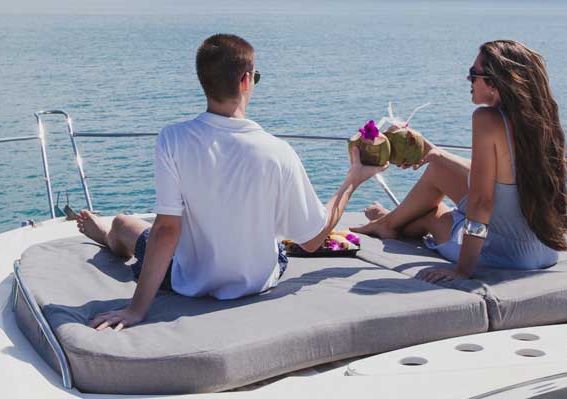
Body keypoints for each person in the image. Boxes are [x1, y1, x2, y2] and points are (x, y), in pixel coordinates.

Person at [77, 33, 387, 330]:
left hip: (188, 281)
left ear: (204, 82)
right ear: (245, 80)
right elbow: (312, 239)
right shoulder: (278, 152)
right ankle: (109, 234)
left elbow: (167, 230)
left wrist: (136, 309)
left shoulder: (173, 139)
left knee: (123, 223)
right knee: (272, 235)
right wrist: (352, 180)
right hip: (258, 281)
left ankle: (109, 235)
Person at [351, 39, 567, 282]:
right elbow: (503, 177)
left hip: (506, 255)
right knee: (438, 167)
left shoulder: (486, 119)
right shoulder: (541, 121)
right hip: (545, 250)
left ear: (495, 82)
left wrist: (463, 270)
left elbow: (481, 202)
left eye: (473, 74)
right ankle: (389, 221)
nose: (467, 79)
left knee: (433, 214)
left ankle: (390, 223)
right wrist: (436, 153)